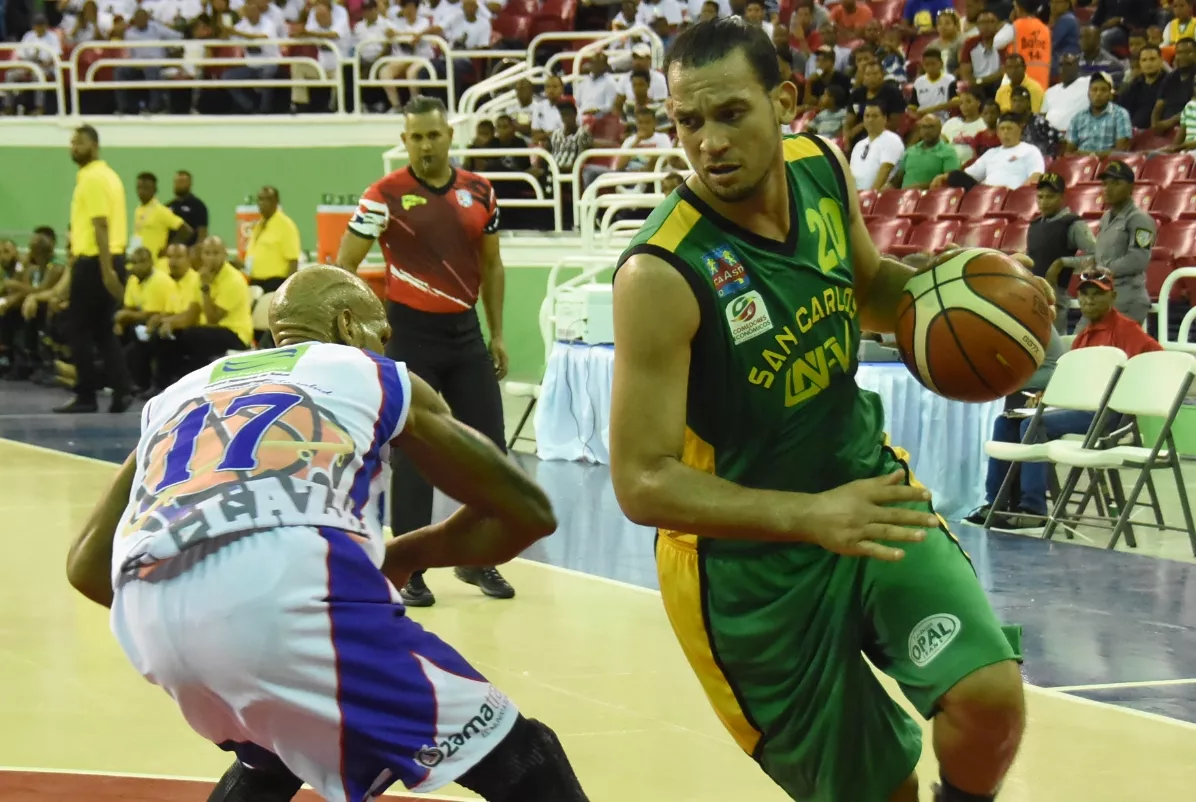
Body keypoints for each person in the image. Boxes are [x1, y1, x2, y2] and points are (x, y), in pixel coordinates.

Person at [610, 18, 1040, 802]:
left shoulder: (820, 167)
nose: (708, 142)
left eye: (730, 113)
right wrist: (810, 516)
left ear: (785, 99)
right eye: (688, 122)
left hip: (868, 499)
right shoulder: (660, 273)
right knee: (881, 791)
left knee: (988, 702)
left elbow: (869, 286)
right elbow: (641, 482)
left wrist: (972, 293)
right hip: (745, 577)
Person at [64, 265, 591, 802]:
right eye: (381, 333)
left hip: (152, 624)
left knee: (271, 755)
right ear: (346, 324)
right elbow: (526, 511)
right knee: (524, 756)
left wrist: (199, 605)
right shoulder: (372, 372)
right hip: (284, 599)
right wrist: (407, 553)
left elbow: (85, 566)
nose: (385, 346)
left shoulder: (180, 394)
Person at [337, 95, 515, 608]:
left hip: (466, 336)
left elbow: (494, 266)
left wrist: (497, 333)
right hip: (410, 337)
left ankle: (478, 558)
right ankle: (410, 567)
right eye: (415, 136)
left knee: (488, 450)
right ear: (405, 139)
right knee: (415, 453)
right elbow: (345, 267)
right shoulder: (383, 196)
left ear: (450, 136)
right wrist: (363, 334)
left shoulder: (480, 191)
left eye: (433, 135)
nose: (424, 145)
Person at [968, 267, 1162, 530]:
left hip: (1109, 414)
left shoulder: (1128, 331)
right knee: (1006, 422)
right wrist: (1046, 396)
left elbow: (1160, 363)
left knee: (1033, 425)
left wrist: (1131, 392)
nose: (1089, 301)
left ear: (1113, 297)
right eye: (1084, 295)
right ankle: (997, 504)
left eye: (1097, 295)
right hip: (1078, 409)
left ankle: (1033, 508)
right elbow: (1072, 379)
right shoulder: (1083, 335)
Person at [59, 124, 133, 414]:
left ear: (94, 145)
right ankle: (122, 389)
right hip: (106, 259)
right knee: (103, 331)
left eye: (80, 142)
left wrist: (105, 271)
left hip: (96, 263)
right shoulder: (109, 176)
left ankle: (87, 394)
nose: (74, 147)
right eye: (72, 142)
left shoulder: (93, 178)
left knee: (76, 329)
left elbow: (101, 225)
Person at [1085, 160, 1155, 330]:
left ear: (1131, 188)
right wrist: (1091, 263)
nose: (1108, 188)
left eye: (1116, 183)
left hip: (1127, 297)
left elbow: (1138, 259)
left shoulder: (1139, 219)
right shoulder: (1105, 218)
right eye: (1105, 183)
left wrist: (1103, 270)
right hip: (1104, 295)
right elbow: (1101, 253)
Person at [1029, 172, 1097, 332]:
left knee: (1053, 348)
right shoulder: (1035, 225)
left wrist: (1063, 263)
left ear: (1062, 197)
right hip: (1033, 292)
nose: (1044, 202)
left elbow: (1096, 257)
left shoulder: (1073, 224)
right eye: (1040, 197)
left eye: (1050, 196)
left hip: (1055, 296)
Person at [931, 112, 1044, 190]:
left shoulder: (1030, 150)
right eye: (1002, 129)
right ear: (998, 132)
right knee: (955, 176)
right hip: (987, 196)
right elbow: (969, 175)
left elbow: (1036, 176)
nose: (1005, 132)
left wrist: (1017, 195)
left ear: (1020, 130)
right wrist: (943, 177)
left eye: (1009, 128)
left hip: (1013, 196)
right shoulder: (991, 153)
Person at [1063, 72, 1131, 156]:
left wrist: (1089, 155)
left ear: (1110, 94)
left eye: (1103, 90)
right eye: (1094, 89)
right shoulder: (1077, 118)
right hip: (1080, 165)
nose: (1098, 94)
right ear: (1088, 94)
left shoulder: (1120, 115)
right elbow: (1069, 153)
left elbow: (1121, 151)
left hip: (1109, 165)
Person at [887, 114, 961, 189]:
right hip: (904, 197)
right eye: (924, 127)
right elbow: (898, 179)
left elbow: (950, 181)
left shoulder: (948, 151)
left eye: (931, 127)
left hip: (931, 197)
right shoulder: (910, 151)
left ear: (940, 129)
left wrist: (916, 188)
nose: (927, 131)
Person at [849, 102, 905, 190]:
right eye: (867, 116)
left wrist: (870, 195)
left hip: (876, 197)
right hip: (855, 195)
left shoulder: (891, 140)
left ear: (884, 119)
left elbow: (885, 170)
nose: (870, 120)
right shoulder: (858, 145)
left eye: (875, 116)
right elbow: (851, 174)